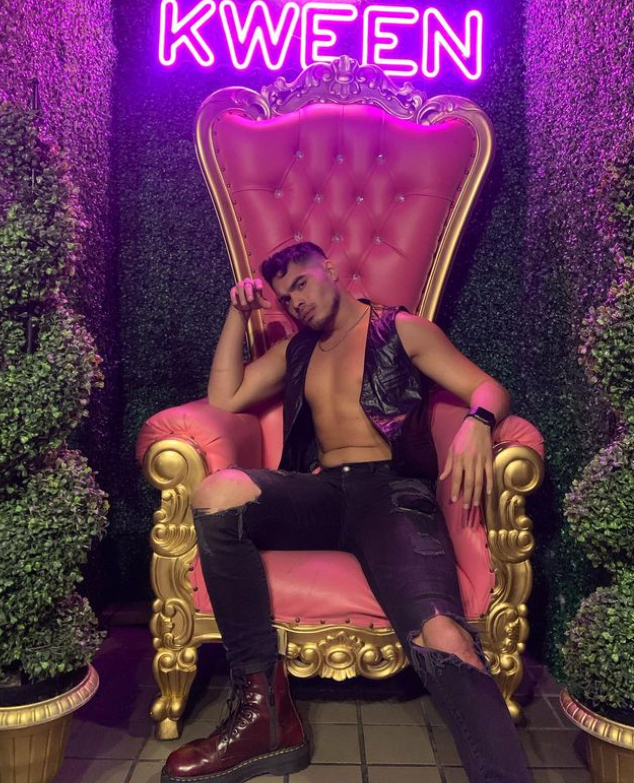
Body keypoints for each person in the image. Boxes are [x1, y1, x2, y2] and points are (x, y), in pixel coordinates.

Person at [162, 242, 533, 783]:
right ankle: (264, 713)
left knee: (444, 636)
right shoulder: (297, 350)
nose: (296, 302)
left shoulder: (401, 329)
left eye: (302, 284)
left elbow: (488, 387)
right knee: (217, 494)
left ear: (331, 271)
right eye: (286, 297)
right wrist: (237, 314)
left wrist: (478, 422)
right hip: (323, 492)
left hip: (392, 495)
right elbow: (225, 398)